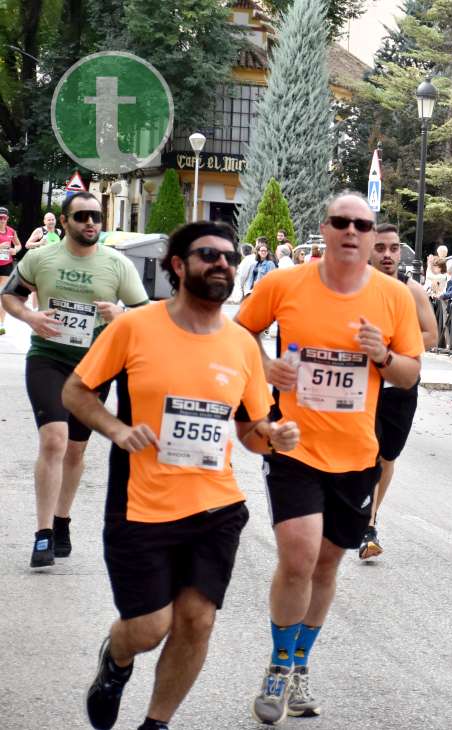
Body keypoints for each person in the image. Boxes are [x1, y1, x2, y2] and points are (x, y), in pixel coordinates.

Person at [62, 221, 300, 730]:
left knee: (197, 621)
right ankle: (117, 660)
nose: (223, 265)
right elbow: (76, 392)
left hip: (215, 507)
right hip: (141, 506)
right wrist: (117, 429)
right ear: (177, 264)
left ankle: (156, 723)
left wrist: (273, 438)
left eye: (231, 258)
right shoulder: (135, 326)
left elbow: (251, 428)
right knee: (149, 627)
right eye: (209, 255)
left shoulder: (240, 345)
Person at [235, 192, 424, 724]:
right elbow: (240, 332)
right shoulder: (284, 283)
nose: (351, 231)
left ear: (371, 236)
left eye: (361, 225)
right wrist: (266, 367)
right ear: (325, 229)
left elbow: (408, 374)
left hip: (356, 455)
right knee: (297, 555)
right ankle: (276, 666)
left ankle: (299, 666)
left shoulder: (393, 298)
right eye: (341, 222)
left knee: (326, 563)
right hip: (294, 443)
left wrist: (381, 356)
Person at [2, 191, 150, 568]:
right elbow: (10, 297)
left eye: (96, 217)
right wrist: (31, 318)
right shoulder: (41, 258)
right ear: (63, 221)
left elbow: (144, 314)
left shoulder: (116, 264)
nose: (90, 223)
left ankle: (62, 519)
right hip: (48, 358)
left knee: (75, 450)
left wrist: (119, 314)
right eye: (82, 216)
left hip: (95, 366)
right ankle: (43, 534)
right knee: (54, 439)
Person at [359, 224, 437, 560]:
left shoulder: (412, 290)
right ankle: (368, 525)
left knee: (387, 456)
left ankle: (370, 515)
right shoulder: (356, 285)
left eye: (393, 248)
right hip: (363, 386)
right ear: (369, 250)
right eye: (380, 248)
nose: (388, 255)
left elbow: (432, 334)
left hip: (400, 386)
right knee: (366, 452)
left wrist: (395, 351)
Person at [0, 206, 22, 334]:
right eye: (0, 218)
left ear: (7, 218)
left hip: (6, 265)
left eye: (4, 218)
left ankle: (1, 324)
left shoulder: (11, 231)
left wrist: (15, 250)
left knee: (3, 294)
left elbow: (19, 244)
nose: (2, 220)